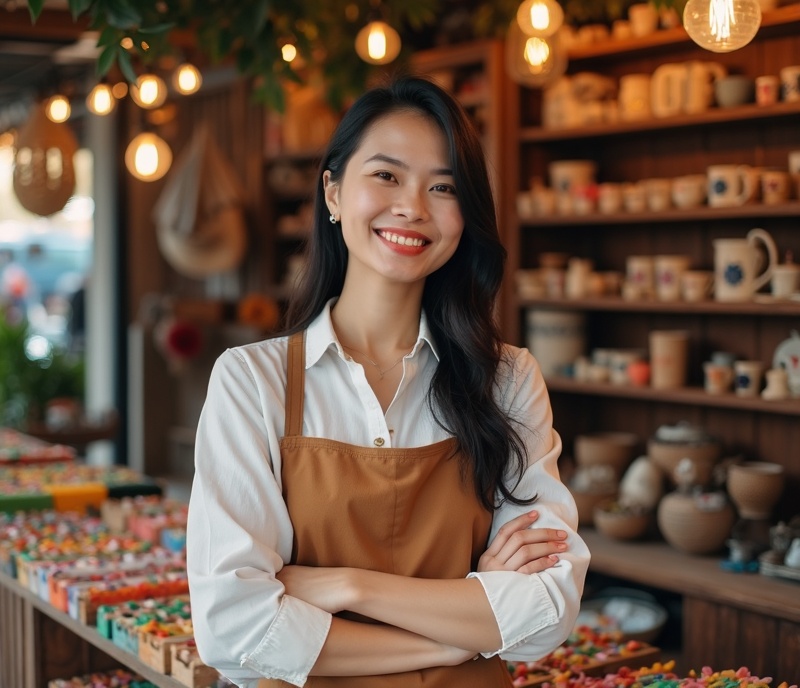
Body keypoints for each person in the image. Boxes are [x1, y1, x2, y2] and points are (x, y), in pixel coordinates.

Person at [186, 75, 590, 688]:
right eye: (386, 175)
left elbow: (546, 613)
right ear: (332, 192)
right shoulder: (252, 381)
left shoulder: (506, 379)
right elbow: (233, 631)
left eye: (443, 186)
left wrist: (347, 586)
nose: (413, 207)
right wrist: (461, 637)